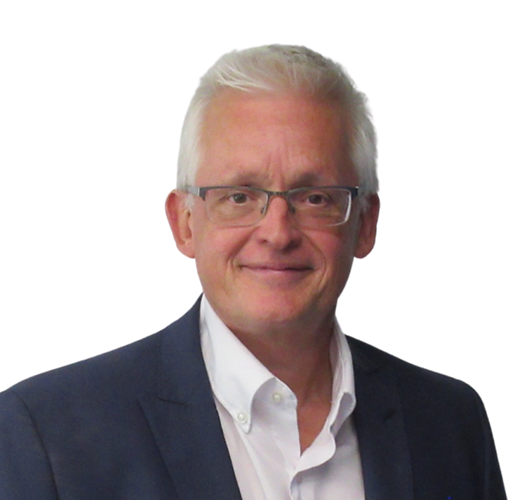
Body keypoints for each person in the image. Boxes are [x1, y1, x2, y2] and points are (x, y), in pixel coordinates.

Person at [0, 45, 506, 500]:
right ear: (184, 223)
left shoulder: (450, 423)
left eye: (315, 198)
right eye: (239, 196)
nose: (277, 232)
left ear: (366, 224)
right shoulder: (44, 433)